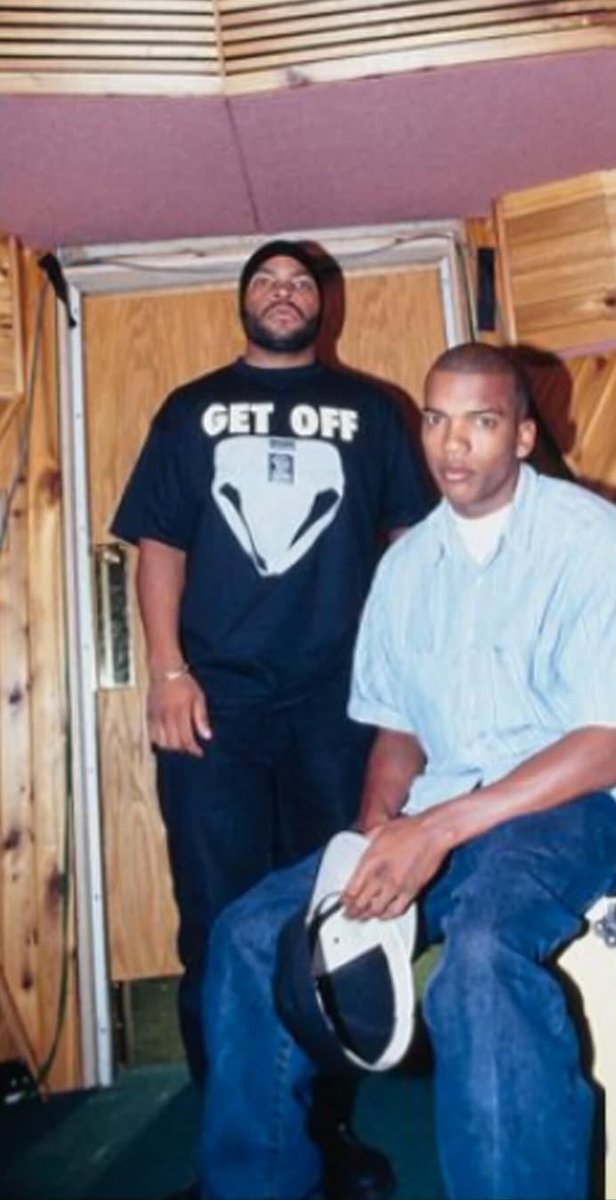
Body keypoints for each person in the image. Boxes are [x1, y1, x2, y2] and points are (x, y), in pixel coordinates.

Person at [199, 342, 616, 1200]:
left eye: (481, 420)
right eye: (436, 420)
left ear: (523, 436)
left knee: (482, 953)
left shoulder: (595, 541)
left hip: (582, 805)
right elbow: (398, 731)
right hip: (444, 808)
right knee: (249, 933)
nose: (452, 444)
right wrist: (370, 839)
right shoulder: (404, 567)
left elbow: (609, 746)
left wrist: (434, 832)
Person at [111, 240, 431, 1196]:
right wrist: (168, 670)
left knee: (322, 920)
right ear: (241, 302)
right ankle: (235, 1144)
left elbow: (414, 554)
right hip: (215, 706)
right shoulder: (189, 410)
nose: (282, 295)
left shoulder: (375, 411)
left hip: (340, 705)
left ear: (321, 305)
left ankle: (324, 1135)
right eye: (265, 282)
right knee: (216, 922)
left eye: (298, 283)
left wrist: (404, 698)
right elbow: (159, 544)